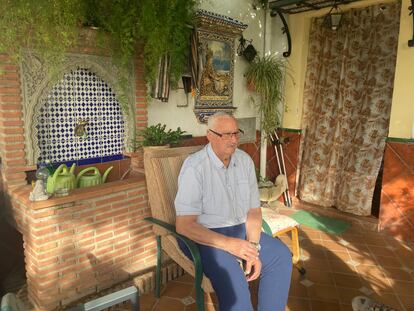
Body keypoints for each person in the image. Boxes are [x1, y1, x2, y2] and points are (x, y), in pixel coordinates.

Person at [174, 112, 292, 311]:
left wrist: (253, 247)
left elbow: (254, 211)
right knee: (235, 284)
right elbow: (184, 225)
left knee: (281, 256)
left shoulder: (244, 161)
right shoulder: (195, 167)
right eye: (226, 134)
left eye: (236, 133)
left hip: (240, 231)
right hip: (205, 238)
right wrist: (230, 245)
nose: (234, 139)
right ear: (209, 135)